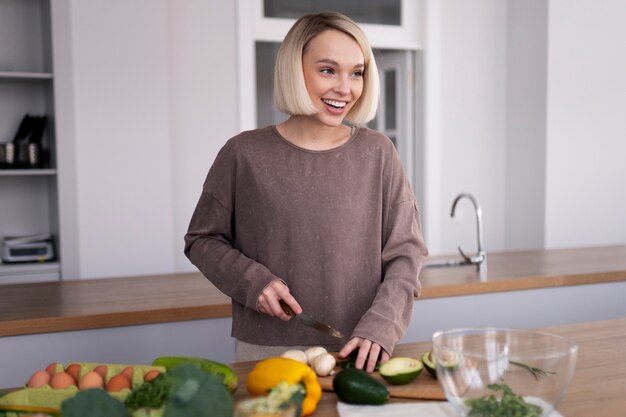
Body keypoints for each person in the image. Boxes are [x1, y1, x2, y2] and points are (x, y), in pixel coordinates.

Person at [184, 11, 428, 373]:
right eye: (328, 70)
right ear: (294, 70)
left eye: (356, 72)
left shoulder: (378, 153)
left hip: (361, 348)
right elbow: (202, 239)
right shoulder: (243, 154)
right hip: (266, 350)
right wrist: (253, 281)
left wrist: (382, 327)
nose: (345, 88)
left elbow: (407, 254)